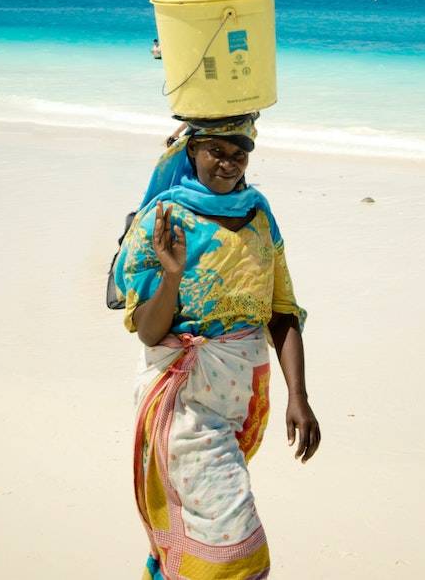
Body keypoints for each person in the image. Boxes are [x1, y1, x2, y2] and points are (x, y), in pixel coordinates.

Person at [111, 114, 319, 579]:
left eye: (238, 153)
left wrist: (298, 398)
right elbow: (147, 330)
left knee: (199, 530)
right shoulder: (164, 218)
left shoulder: (258, 215)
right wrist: (171, 274)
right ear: (192, 152)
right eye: (216, 152)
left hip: (240, 400)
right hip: (184, 405)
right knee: (235, 545)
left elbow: (281, 310)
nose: (227, 164)